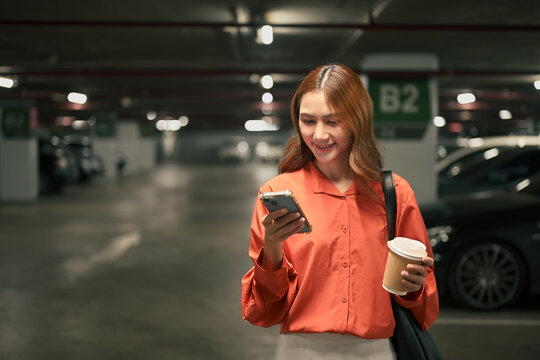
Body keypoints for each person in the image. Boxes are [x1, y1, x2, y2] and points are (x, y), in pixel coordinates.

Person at [241, 63, 439, 359]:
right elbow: (265, 311)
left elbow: (425, 303)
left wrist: (413, 286)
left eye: (332, 122)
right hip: (301, 350)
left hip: (376, 351)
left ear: (357, 120)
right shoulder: (276, 194)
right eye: (308, 121)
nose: (319, 135)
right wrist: (271, 247)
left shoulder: (395, 193)